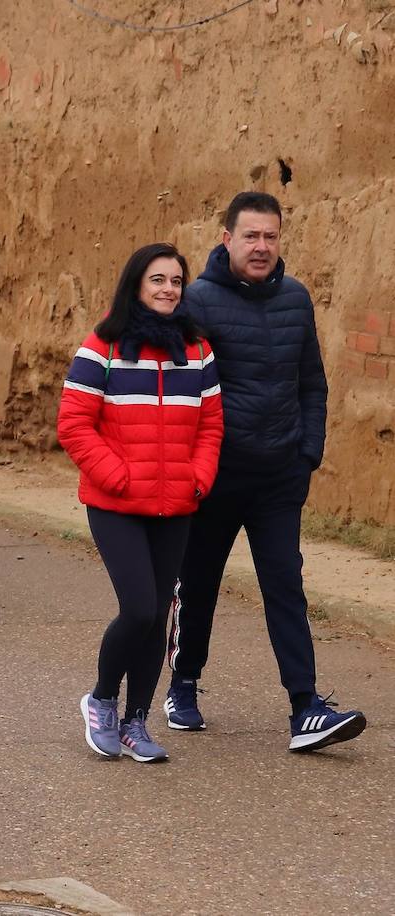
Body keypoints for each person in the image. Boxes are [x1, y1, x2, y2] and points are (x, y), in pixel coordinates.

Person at [165, 192, 368, 752]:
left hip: (280, 477)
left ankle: (306, 707)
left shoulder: (297, 299)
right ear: (226, 238)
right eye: (250, 236)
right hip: (217, 478)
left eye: (270, 237)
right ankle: (183, 684)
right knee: (199, 583)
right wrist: (194, 467)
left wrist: (308, 454)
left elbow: (313, 383)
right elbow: (182, 392)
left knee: (285, 586)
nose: (261, 247)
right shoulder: (198, 301)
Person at [58, 243, 224, 763]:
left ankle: (136, 722)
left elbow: (212, 425)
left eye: (176, 281)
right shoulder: (100, 347)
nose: (168, 290)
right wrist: (118, 476)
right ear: (136, 285)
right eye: (158, 280)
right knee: (139, 608)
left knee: (159, 619)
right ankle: (102, 699)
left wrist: (198, 478)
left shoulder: (197, 350)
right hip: (116, 503)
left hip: (176, 504)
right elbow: (74, 425)